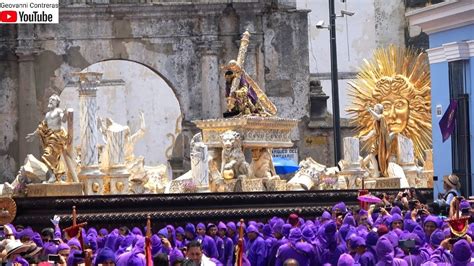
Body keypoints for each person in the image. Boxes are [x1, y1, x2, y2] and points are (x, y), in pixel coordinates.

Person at [25, 94, 77, 183]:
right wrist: (33, 135)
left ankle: (54, 176)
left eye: (53, 100)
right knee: (53, 158)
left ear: (57, 103)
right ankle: (55, 176)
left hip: (57, 137)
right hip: (49, 137)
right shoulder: (47, 114)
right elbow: (42, 127)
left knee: (47, 155)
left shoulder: (58, 111)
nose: (50, 101)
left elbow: (64, 120)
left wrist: (64, 114)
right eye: (50, 99)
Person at [359, 104, 395, 178]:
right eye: (374, 110)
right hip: (377, 141)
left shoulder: (382, 117)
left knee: (372, 155)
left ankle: (376, 173)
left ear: (380, 111)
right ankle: (364, 168)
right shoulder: (375, 121)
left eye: (375, 110)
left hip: (380, 142)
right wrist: (366, 137)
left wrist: (370, 110)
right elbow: (374, 131)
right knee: (370, 157)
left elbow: (377, 117)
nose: (374, 111)